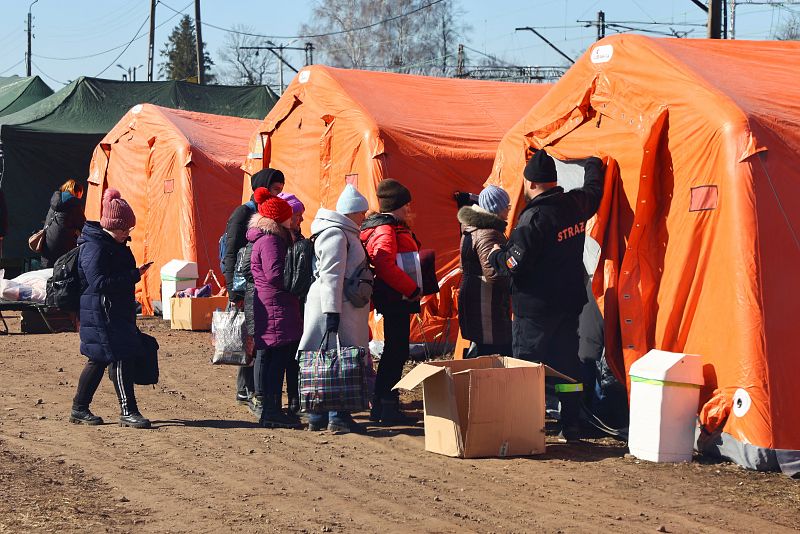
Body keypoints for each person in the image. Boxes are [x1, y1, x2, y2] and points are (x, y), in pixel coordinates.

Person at [488, 149, 604, 441]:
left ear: (531, 184)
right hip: (569, 303)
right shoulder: (575, 204)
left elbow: (515, 264)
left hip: (535, 310)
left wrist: (497, 256)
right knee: (568, 368)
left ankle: (526, 426)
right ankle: (571, 423)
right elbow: (594, 190)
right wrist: (594, 163)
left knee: (527, 368)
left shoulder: (533, 219)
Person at [70, 189, 153, 429]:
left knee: (98, 359)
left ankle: (79, 408)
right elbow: (99, 283)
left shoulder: (110, 244)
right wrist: (133, 275)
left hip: (110, 311)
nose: (127, 234)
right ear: (112, 226)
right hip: (100, 312)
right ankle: (128, 411)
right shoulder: (95, 247)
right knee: (119, 357)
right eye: (124, 229)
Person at [300, 184, 371, 433]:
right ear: (351, 212)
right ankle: (337, 416)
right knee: (338, 360)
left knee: (329, 360)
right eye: (361, 212)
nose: (364, 216)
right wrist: (332, 314)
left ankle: (318, 416)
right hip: (336, 307)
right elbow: (331, 276)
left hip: (338, 306)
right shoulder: (337, 235)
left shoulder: (340, 233)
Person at [360, 179, 421, 425]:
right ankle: (386, 405)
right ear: (396, 205)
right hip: (396, 296)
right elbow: (384, 263)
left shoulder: (388, 226)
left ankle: (385, 404)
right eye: (406, 204)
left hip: (396, 295)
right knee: (396, 351)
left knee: (396, 350)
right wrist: (411, 287)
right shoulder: (386, 229)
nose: (408, 209)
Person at [223, 168, 285, 406]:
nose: (277, 194)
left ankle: (248, 387)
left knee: (255, 336)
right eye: (274, 189)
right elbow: (231, 252)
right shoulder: (243, 213)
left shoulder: (268, 212)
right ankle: (245, 388)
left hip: (257, 284)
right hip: (244, 284)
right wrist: (232, 289)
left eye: (280, 190)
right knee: (248, 337)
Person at [246, 187, 302, 428]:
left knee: (273, 359)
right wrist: (297, 279)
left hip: (273, 304)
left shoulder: (268, 238)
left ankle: (271, 409)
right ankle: (271, 411)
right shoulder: (271, 240)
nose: (295, 219)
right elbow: (275, 274)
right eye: (290, 215)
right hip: (275, 305)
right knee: (277, 360)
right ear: (279, 218)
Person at [456, 185, 512, 356]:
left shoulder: (473, 228)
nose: (509, 210)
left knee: (483, 348)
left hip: (477, 298)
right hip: (485, 302)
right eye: (507, 206)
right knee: (491, 352)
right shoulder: (488, 233)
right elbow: (494, 273)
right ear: (497, 208)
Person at [277, 192, 305, 415]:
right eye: (298, 215)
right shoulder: (277, 240)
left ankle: (296, 400)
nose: (301, 220)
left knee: (295, 356)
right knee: (281, 357)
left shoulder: (298, 239)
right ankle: (274, 404)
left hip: (298, 305)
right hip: (281, 305)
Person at [40, 179, 86, 268]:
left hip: (47, 245)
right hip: (63, 247)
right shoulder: (74, 204)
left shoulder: (55, 201)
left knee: (47, 275)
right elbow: (83, 226)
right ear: (77, 192)